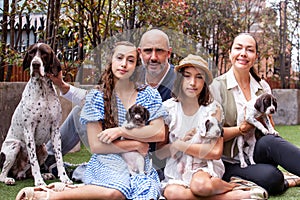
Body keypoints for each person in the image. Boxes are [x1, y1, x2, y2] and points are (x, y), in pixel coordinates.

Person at [16, 41, 167, 200]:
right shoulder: (97, 96)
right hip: (108, 157)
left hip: (138, 162)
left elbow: (158, 133)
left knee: (143, 193)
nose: (124, 64)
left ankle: (66, 188)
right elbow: (97, 145)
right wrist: (136, 143)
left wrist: (120, 131)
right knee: (116, 192)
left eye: (130, 60)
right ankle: (52, 196)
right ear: (111, 61)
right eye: (120, 58)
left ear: (136, 65)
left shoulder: (149, 94)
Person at [43, 29, 175, 181]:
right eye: (147, 51)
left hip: (153, 150)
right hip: (120, 139)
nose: (153, 57)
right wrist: (63, 86)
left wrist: (122, 132)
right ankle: (47, 158)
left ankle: (80, 171)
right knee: (80, 111)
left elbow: (161, 132)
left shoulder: (179, 83)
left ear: (169, 53)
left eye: (159, 51)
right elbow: (96, 99)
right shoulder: (132, 73)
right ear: (140, 53)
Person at [156, 54, 268, 199]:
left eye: (199, 77)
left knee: (201, 186)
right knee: (173, 193)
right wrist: (175, 147)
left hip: (204, 165)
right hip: (177, 167)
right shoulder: (167, 108)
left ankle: (232, 185)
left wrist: (181, 145)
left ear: (205, 82)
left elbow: (215, 152)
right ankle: (233, 196)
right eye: (187, 76)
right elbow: (160, 153)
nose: (192, 83)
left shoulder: (213, 109)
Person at [210, 32, 300, 196]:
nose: (243, 53)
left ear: (256, 56)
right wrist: (242, 128)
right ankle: (282, 179)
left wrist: (268, 127)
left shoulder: (262, 86)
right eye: (238, 48)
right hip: (229, 161)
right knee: (272, 177)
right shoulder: (216, 87)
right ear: (230, 53)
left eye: (249, 50)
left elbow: (269, 127)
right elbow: (212, 135)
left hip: (256, 150)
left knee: (272, 141)